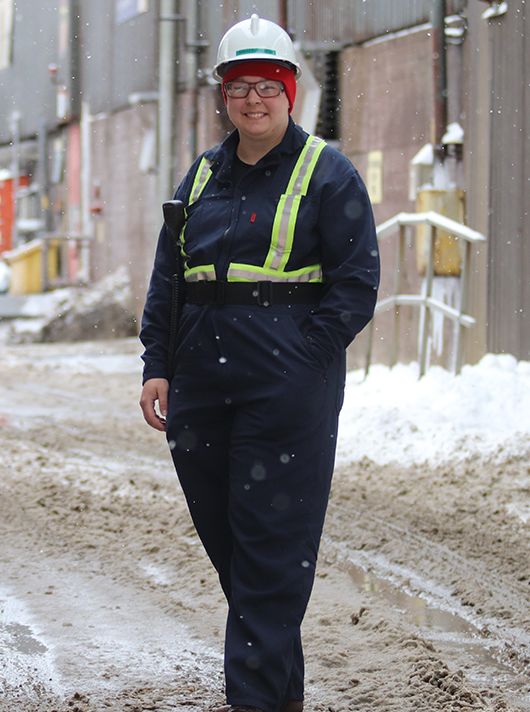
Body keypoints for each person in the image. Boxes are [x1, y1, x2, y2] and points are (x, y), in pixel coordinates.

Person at [137, 14, 380, 712]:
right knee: (242, 560)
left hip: (285, 387)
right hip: (201, 386)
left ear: (291, 91)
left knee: (270, 558)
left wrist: (304, 361)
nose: (253, 100)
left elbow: (356, 282)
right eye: (239, 86)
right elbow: (168, 278)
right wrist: (159, 363)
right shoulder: (203, 175)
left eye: (268, 86)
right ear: (222, 94)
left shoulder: (326, 173)